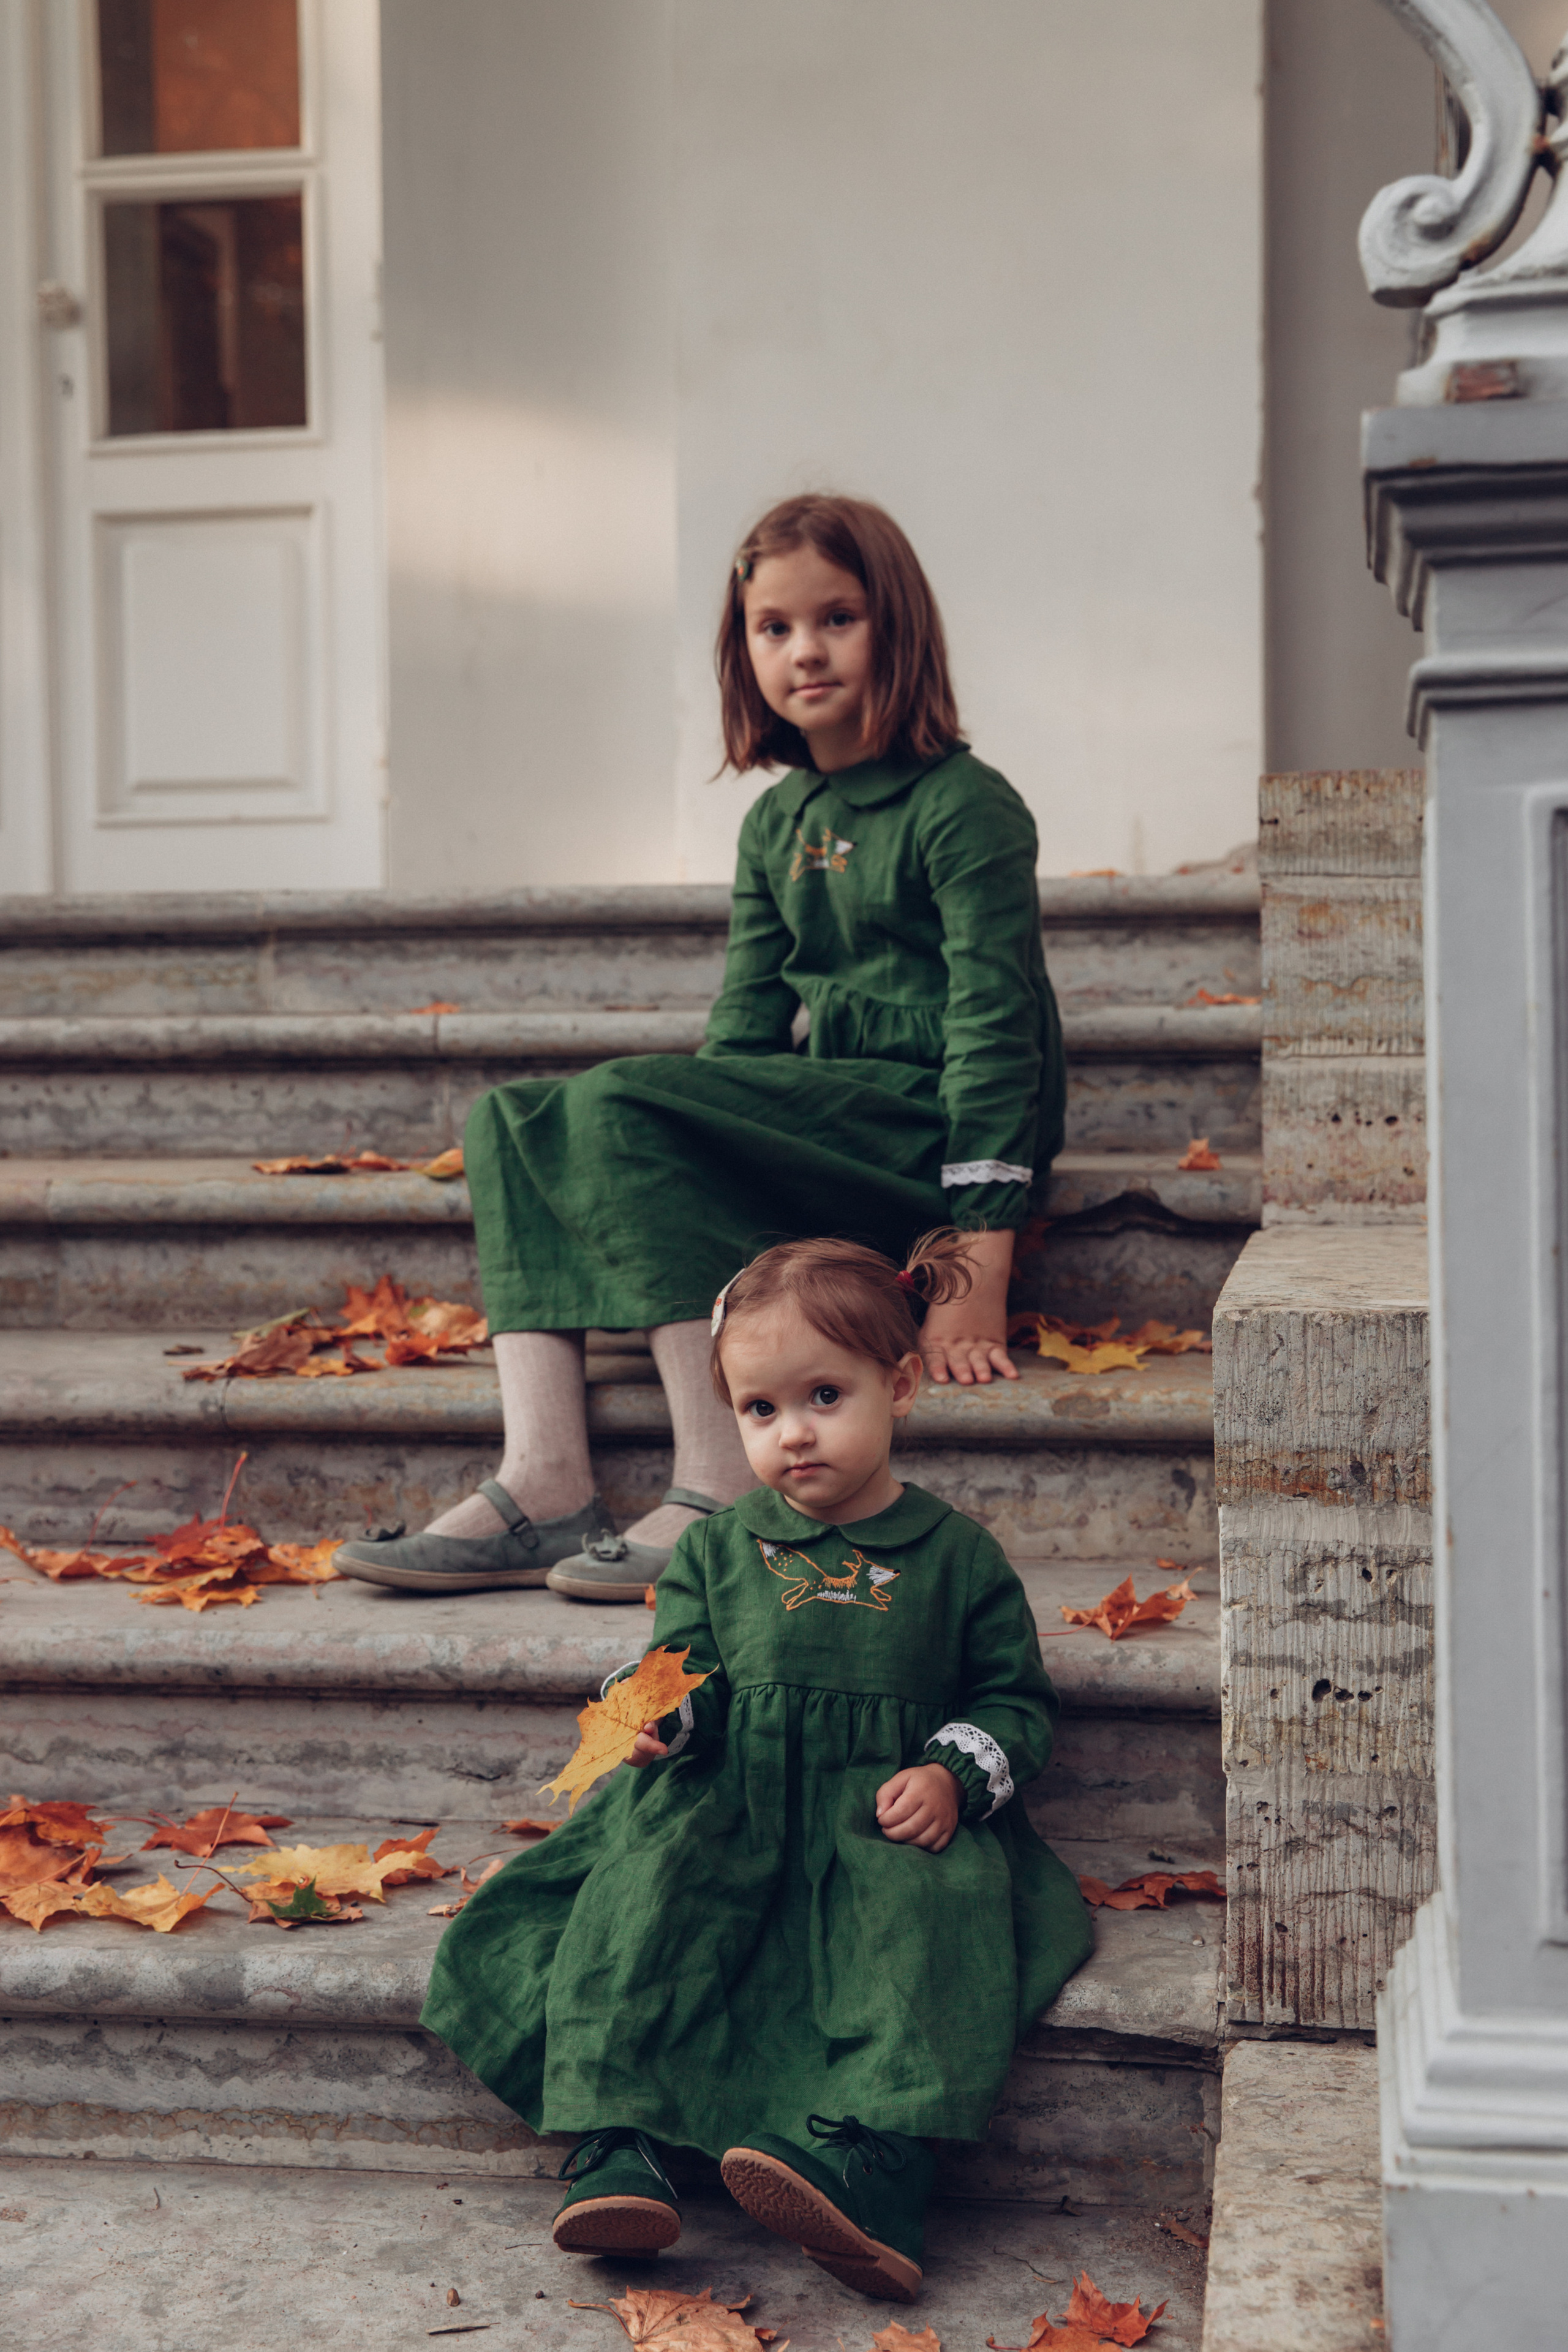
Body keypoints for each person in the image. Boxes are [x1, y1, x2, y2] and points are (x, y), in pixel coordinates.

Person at [334, 494, 1065, 1603]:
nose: (805, 650)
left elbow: (997, 1028)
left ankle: (721, 1484)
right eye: (775, 629)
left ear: (898, 629)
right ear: (745, 651)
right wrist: (701, 1111)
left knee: (628, 1102)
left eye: (838, 618)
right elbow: (743, 1032)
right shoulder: (776, 824)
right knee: (513, 1115)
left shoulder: (964, 806)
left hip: (926, 1130)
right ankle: (544, 1484)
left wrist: (976, 1256)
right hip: (830, 1114)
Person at [419, 1233, 1093, 2305]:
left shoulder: (958, 1556)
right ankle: (618, 2141)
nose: (794, 1434)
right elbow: (683, 1668)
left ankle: (875, 2164)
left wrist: (955, 1775)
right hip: (724, 1798)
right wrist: (661, 1719)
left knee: (923, 1933)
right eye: (760, 1411)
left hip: (881, 1816)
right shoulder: (715, 1551)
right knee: (637, 1908)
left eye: (825, 1395)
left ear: (902, 1384)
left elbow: (1016, 1702)